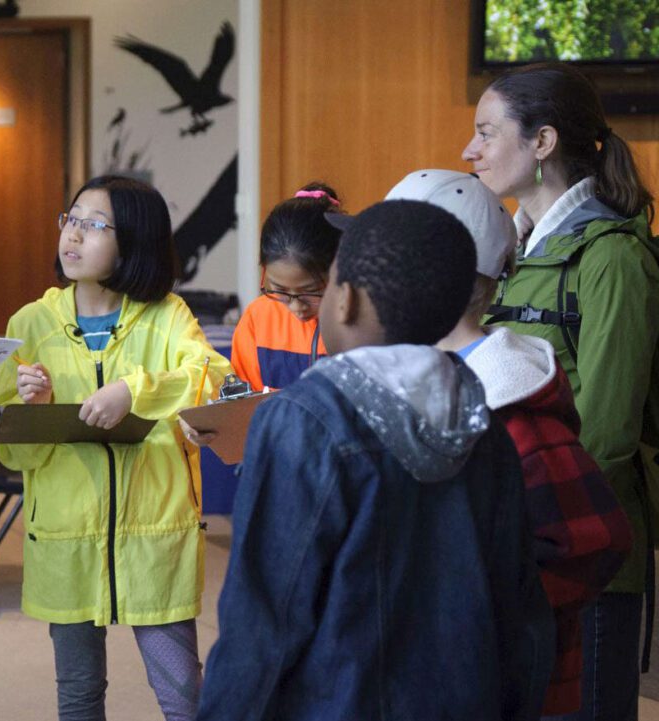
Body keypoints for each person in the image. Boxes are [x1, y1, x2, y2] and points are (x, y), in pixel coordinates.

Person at [197, 200, 554, 721]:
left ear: (345, 302)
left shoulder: (304, 421)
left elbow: (264, 620)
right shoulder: (485, 420)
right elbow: (522, 611)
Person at [0, 175, 231, 721]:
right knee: (77, 697)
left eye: (95, 225)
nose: (73, 235)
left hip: (156, 541)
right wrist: (34, 408)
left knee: (182, 696)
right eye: (70, 219)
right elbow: (13, 454)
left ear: (134, 242)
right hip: (66, 542)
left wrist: (135, 392)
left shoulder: (168, 316)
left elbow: (209, 378)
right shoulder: (31, 323)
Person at [463, 62, 659, 721]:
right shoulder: (510, 253)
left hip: (583, 553)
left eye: (487, 133)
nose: (471, 151)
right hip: (514, 549)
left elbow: (606, 430)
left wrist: (540, 541)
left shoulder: (612, 257)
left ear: (542, 142)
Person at [397, 169, 633, 717]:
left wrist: (471, 616)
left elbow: (593, 542)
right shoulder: (406, 385)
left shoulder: (515, 412)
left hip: (506, 690)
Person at [231, 183, 343, 390]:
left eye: (310, 292)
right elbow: (243, 403)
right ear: (264, 271)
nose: (296, 307)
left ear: (339, 269)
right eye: (280, 290)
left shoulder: (359, 325)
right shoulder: (258, 318)